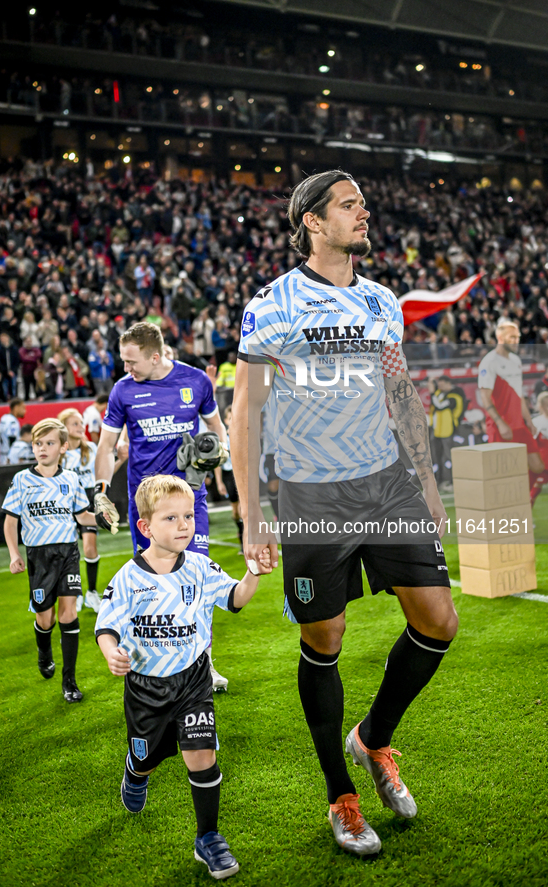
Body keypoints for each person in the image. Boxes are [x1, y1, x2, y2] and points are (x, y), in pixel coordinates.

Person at [231, 169, 458, 857]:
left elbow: (398, 390)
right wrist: (250, 514)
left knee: (437, 619)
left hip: (385, 483)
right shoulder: (271, 304)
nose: (363, 212)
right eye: (348, 204)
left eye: (362, 202)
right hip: (310, 494)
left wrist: (423, 475)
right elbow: (247, 413)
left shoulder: (381, 300)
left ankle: (372, 737)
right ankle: (341, 792)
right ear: (311, 220)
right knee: (323, 636)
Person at [95, 474, 270, 880]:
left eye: (188, 516)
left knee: (202, 756)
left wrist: (253, 574)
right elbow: (106, 626)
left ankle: (207, 837)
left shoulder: (200, 567)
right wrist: (111, 652)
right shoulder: (128, 577)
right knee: (146, 760)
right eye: (171, 518)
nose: (184, 525)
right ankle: (135, 772)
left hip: (193, 681)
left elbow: (235, 599)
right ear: (145, 527)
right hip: (145, 689)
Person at [94, 322, 231, 691]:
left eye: (131, 361)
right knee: (153, 583)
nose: (126, 368)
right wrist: (100, 488)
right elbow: (106, 448)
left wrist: (219, 452)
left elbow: (217, 429)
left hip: (189, 499)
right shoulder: (123, 392)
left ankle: (204, 664)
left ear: (156, 356)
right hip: (148, 505)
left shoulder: (196, 381)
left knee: (197, 581)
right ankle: (155, 662)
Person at [2, 418, 97, 703]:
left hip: (68, 552)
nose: (42, 449)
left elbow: (82, 517)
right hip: (39, 557)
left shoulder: (71, 479)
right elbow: (10, 522)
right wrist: (14, 554)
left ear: (63, 447)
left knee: (69, 613)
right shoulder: (21, 480)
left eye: (49, 443)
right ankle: (44, 651)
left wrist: (102, 518)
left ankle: (69, 681)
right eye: (38, 444)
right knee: (46, 618)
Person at [478, 318, 546, 504]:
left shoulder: (516, 360)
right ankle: (507, 511)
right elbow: (484, 397)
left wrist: (529, 421)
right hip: (501, 427)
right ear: (500, 337)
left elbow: (519, 394)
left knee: (538, 466)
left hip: (519, 425)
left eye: (518, 337)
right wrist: (500, 423)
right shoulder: (489, 362)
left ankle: (523, 503)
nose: (516, 340)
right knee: (503, 474)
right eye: (512, 337)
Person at [59, 408, 102, 614]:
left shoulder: (91, 448)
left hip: (88, 501)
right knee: (69, 552)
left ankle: (92, 593)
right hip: (66, 503)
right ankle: (75, 594)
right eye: (75, 423)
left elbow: (103, 472)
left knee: (90, 549)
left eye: (80, 422)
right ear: (64, 428)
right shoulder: (60, 454)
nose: (80, 426)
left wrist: (120, 459)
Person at [427, 375, 465, 492]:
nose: (439, 387)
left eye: (441, 384)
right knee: (438, 458)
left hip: (449, 430)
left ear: (448, 383)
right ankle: (441, 481)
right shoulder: (442, 394)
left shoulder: (455, 395)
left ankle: (456, 481)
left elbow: (439, 406)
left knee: (451, 457)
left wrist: (433, 393)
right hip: (438, 430)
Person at [214, 405, 243, 553]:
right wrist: (219, 482)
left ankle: (245, 542)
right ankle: (240, 533)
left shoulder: (244, 436)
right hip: (228, 474)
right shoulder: (222, 439)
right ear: (225, 420)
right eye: (230, 418)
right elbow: (218, 463)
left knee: (243, 508)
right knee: (236, 511)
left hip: (243, 474)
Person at [0, 397, 26, 465]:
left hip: (2, 456)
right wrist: (11, 457)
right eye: (23, 408)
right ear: (16, 408)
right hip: (9, 458)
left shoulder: (4, 418)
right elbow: (12, 440)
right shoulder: (12, 422)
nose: (25, 411)